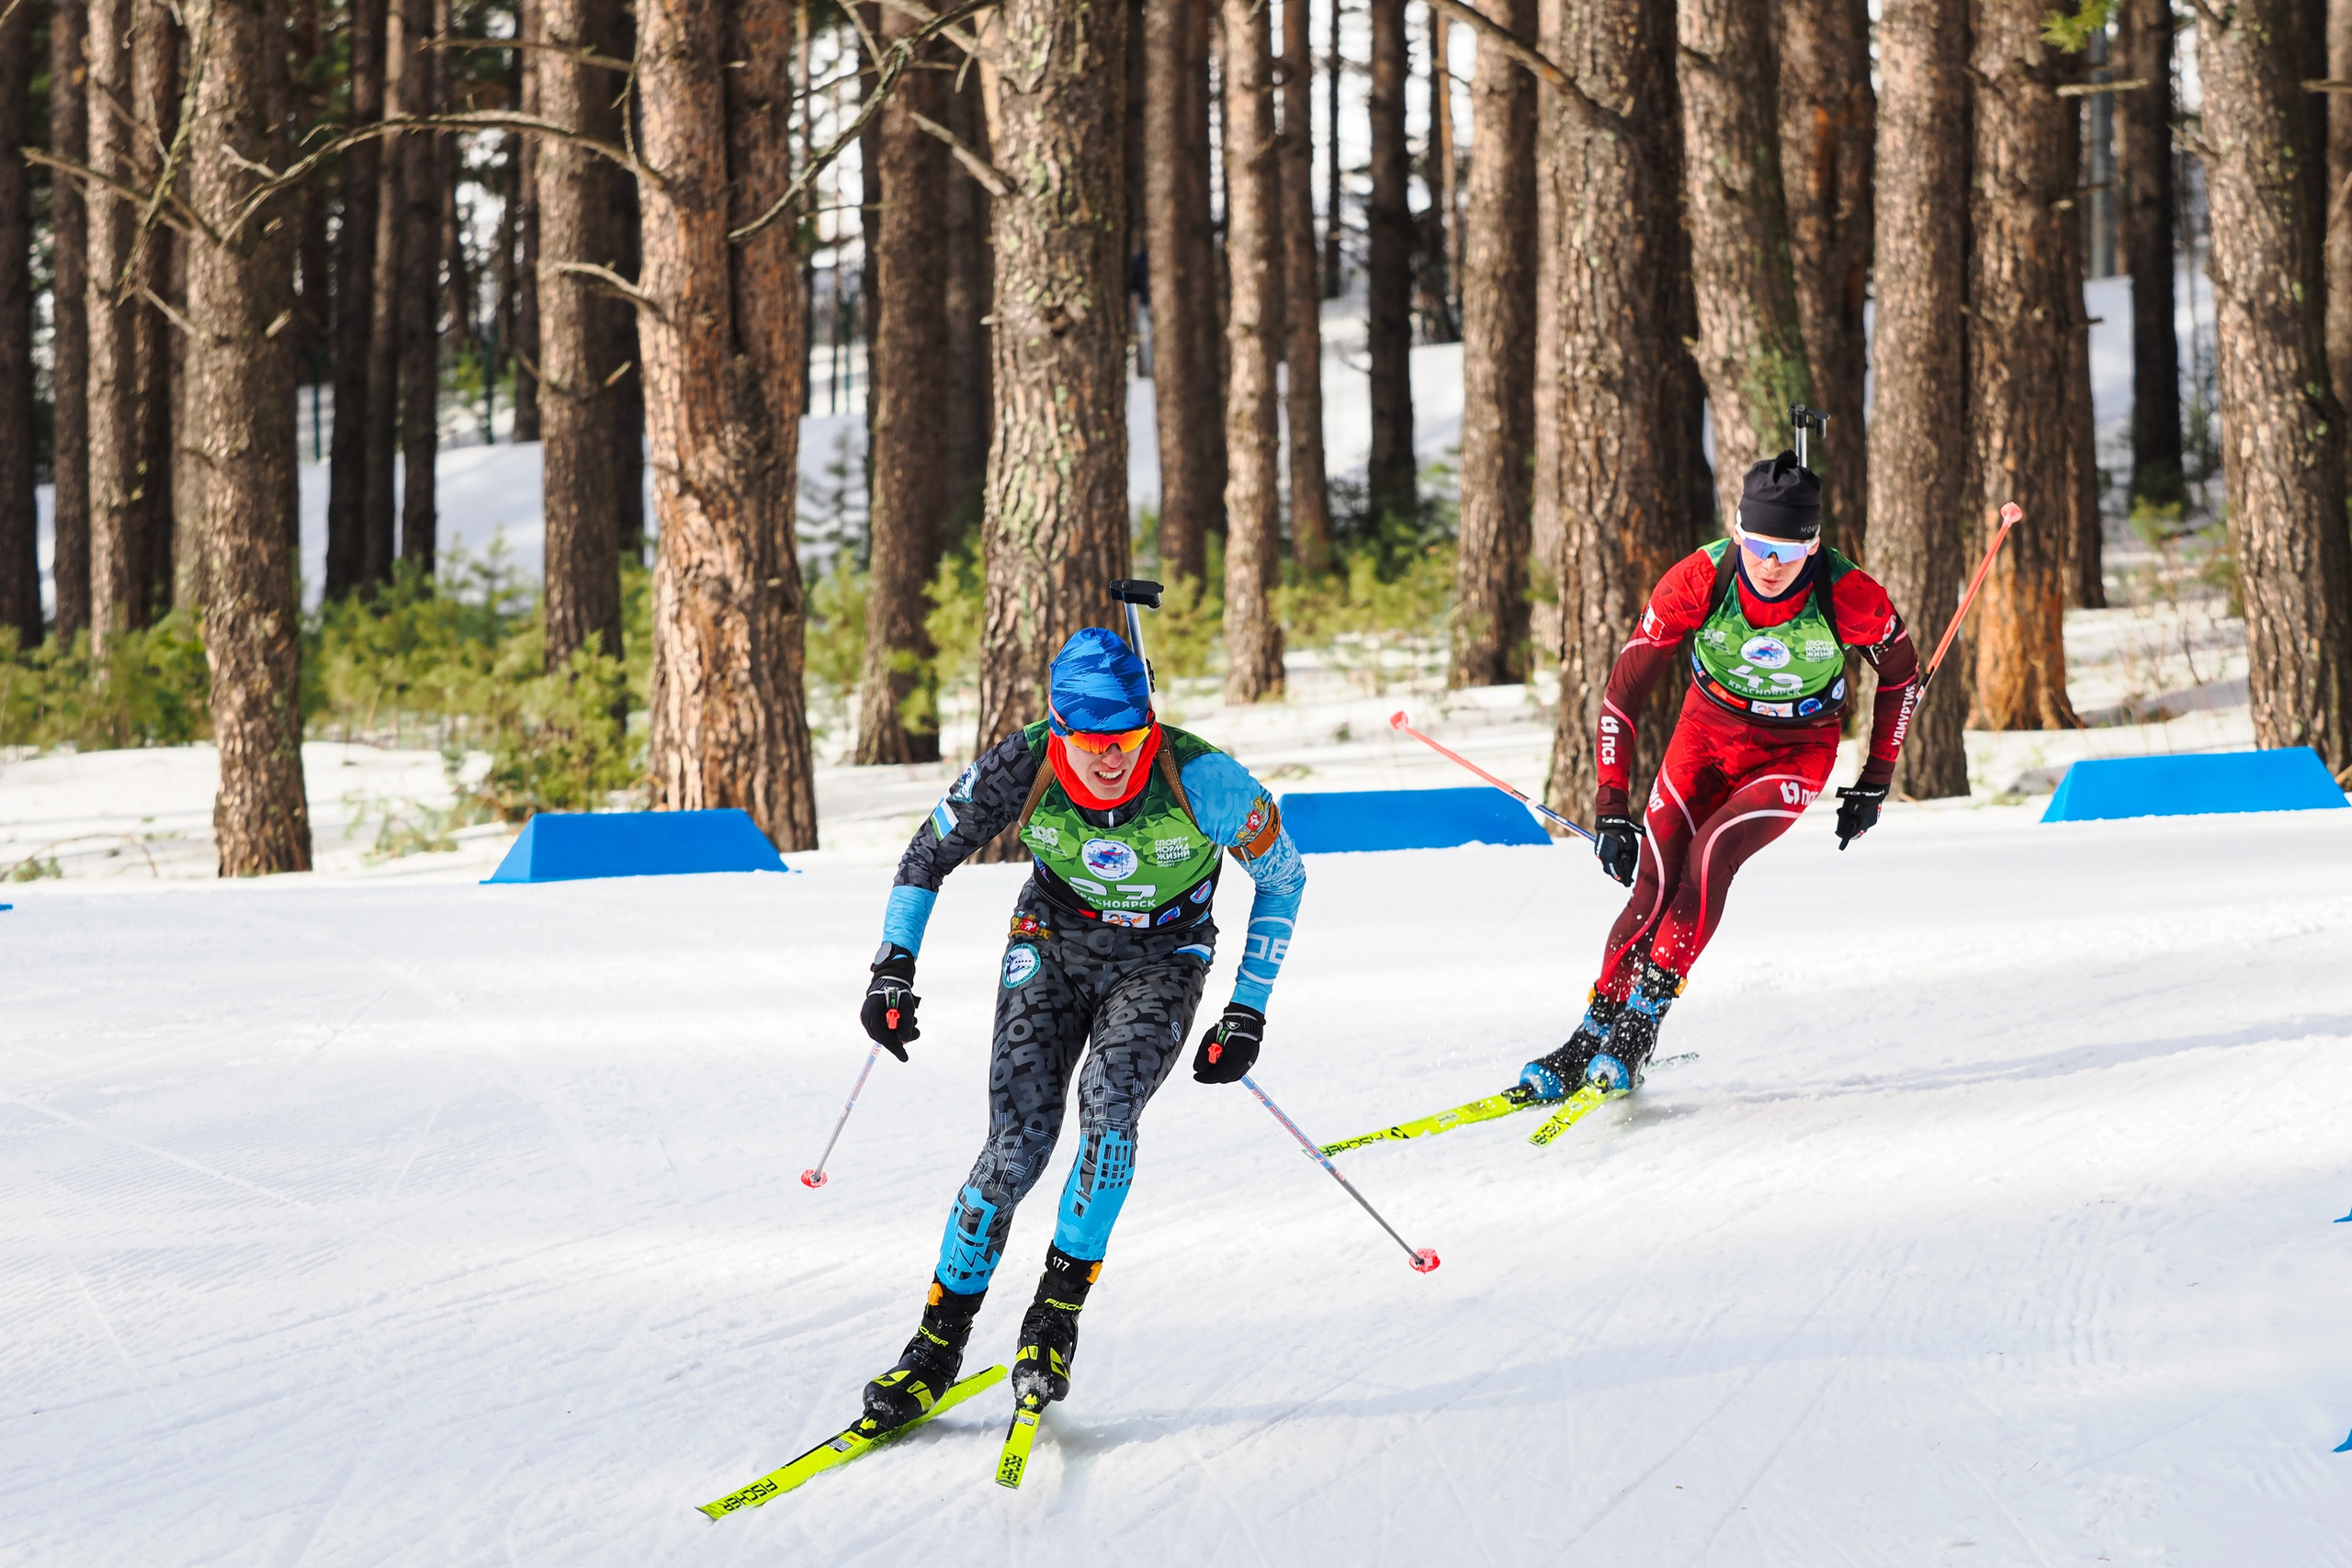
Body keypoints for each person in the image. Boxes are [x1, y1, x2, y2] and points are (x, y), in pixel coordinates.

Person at [855, 626, 1306, 1429]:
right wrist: (893, 965)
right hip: (1055, 942)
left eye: (1129, 738)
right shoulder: (1019, 764)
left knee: (1109, 1111)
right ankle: (935, 1344)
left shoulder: (1203, 777)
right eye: (1093, 741)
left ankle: (1052, 1319)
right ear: (1059, 728)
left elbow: (1284, 877)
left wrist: (1247, 1008)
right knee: (1017, 1142)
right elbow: (926, 854)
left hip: (1163, 956)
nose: (1113, 759)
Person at [1517, 452, 1920, 1100]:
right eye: (1758, 545)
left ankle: (1642, 1022)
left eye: (1789, 552)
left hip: (1795, 749)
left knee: (1712, 854)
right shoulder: (1699, 579)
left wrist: (1875, 779)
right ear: (1738, 531)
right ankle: (1590, 1032)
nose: (1770, 564)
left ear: (1814, 545)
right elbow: (1623, 693)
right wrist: (1611, 804)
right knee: (1652, 883)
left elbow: (1902, 676)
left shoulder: (1847, 594)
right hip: (1705, 736)